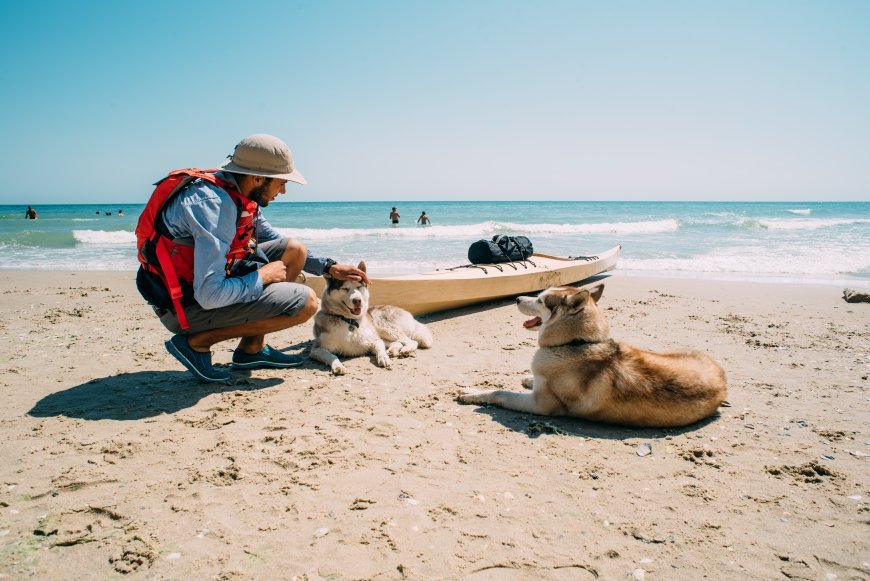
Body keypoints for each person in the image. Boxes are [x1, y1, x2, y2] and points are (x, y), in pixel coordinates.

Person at [137, 133, 368, 383]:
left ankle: (251, 350)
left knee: (295, 250)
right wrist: (262, 276)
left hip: (206, 286)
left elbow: (276, 241)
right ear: (257, 178)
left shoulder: (237, 190)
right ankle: (196, 343)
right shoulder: (214, 205)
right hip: (184, 305)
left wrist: (328, 267)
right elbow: (209, 293)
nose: (284, 190)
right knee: (305, 304)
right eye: (281, 182)